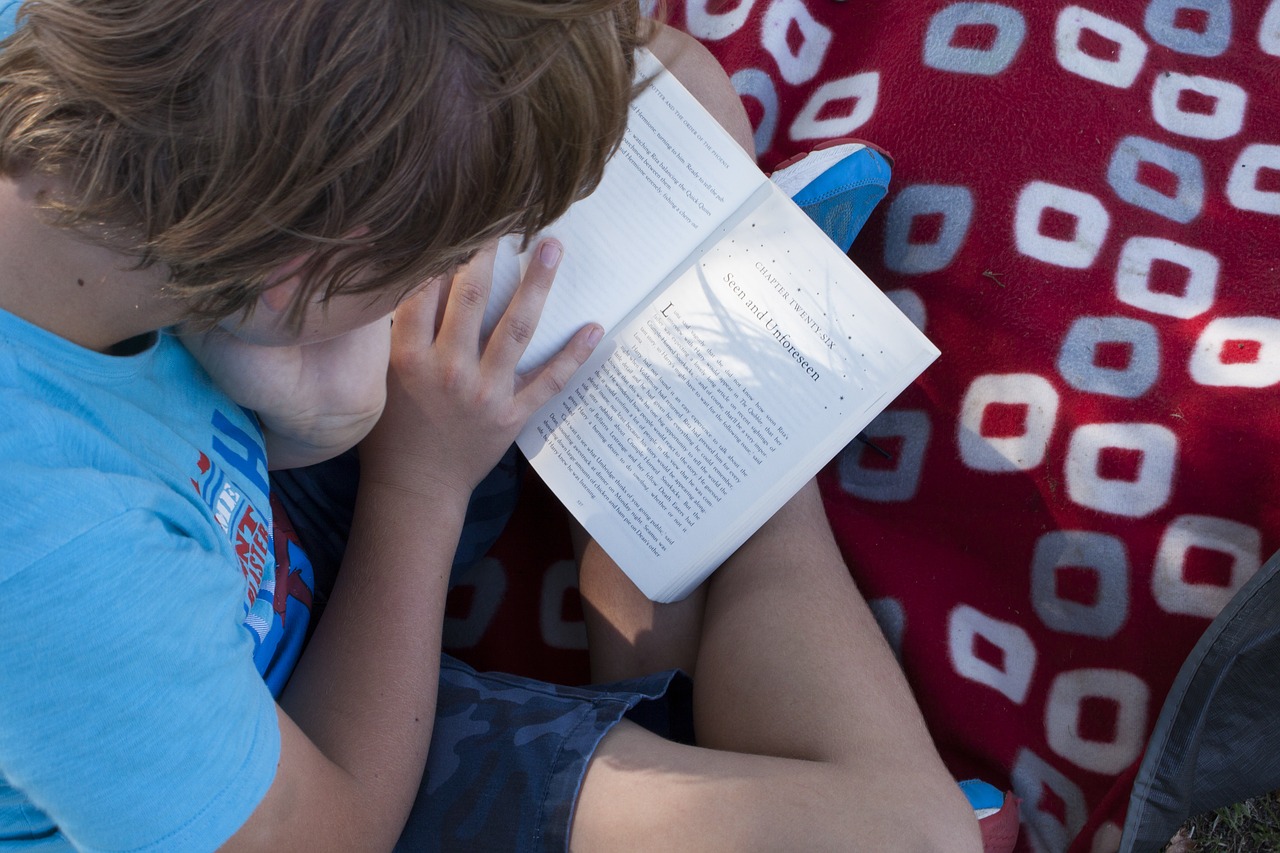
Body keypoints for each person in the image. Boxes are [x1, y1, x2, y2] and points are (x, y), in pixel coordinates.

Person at [0, 1, 981, 851]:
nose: (464, 257)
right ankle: (757, 404)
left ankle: (725, 413)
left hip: (249, 421)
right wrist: (415, 483)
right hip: (296, 728)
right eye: (452, 249)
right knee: (905, 835)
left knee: (664, 88)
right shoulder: (60, 555)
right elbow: (319, 831)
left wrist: (311, 380)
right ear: (299, 281)